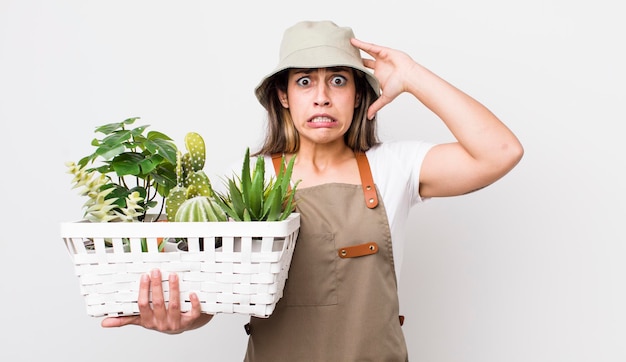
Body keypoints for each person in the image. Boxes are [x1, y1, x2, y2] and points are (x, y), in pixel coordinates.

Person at [101, 20, 524, 361]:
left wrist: (413, 76)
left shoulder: (394, 166)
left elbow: (501, 151)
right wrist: (181, 318)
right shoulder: (246, 180)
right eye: (305, 82)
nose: (322, 98)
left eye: (338, 81)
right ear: (282, 96)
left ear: (359, 95)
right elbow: (208, 299)